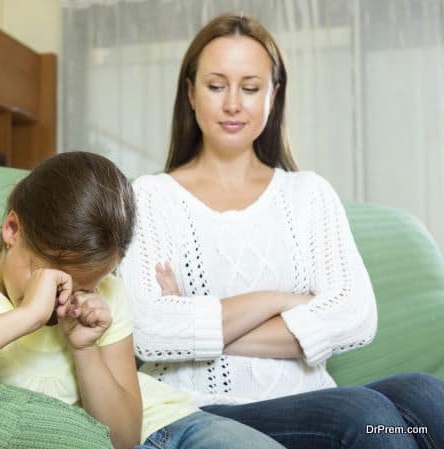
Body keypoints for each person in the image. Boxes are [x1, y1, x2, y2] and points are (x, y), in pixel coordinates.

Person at [117, 13, 444, 449]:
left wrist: (196, 321)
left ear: (273, 95)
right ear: (191, 93)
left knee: (428, 397)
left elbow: (355, 316)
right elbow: (150, 332)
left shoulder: (308, 194)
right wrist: (284, 302)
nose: (233, 103)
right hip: (205, 407)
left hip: (314, 400)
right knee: (369, 418)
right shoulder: (150, 197)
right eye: (216, 86)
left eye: (250, 88)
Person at [0, 151, 286, 449]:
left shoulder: (105, 295)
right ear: (12, 229)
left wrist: (85, 348)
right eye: (51, 277)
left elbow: (124, 435)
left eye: (86, 285)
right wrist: (28, 314)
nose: (65, 296)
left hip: (179, 423)